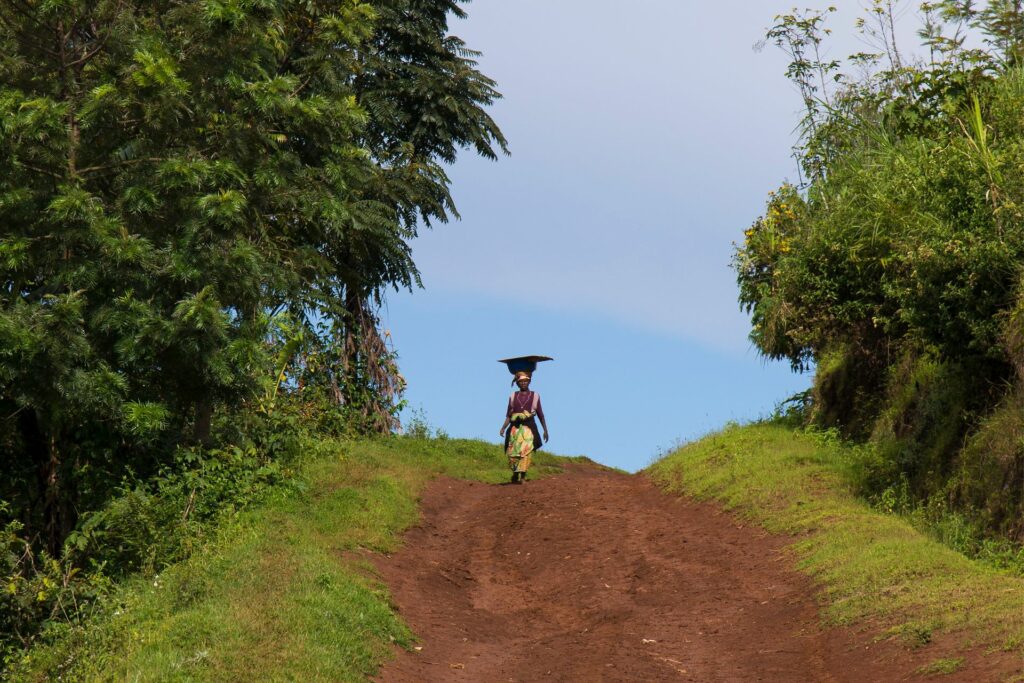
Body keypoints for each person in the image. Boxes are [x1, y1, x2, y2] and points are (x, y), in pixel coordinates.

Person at [499, 371, 549, 484]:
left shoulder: (535, 396)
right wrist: (503, 427)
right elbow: (508, 415)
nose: (523, 383)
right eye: (521, 382)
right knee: (514, 453)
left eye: (526, 381)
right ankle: (515, 474)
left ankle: (523, 476)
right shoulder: (513, 396)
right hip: (515, 429)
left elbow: (540, 414)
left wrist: (545, 430)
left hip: (529, 429)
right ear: (517, 383)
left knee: (526, 453)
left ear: (529, 382)